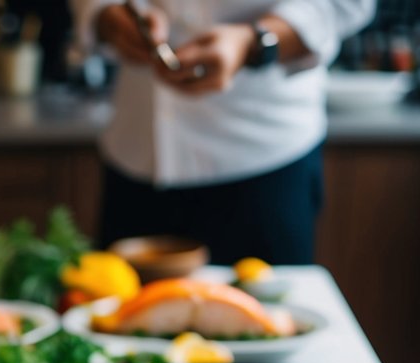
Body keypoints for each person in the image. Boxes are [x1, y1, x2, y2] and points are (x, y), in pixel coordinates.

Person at [69, 0, 376, 263]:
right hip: (136, 152)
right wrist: (105, 15)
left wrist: (256, 41)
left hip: (263, 159)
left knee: (268, 323)